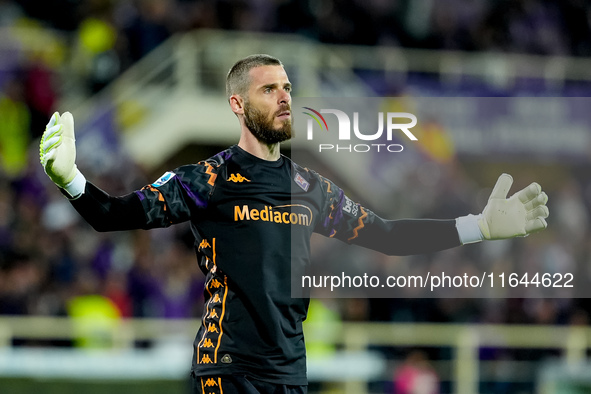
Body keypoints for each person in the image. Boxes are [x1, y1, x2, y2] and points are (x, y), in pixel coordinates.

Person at [39, 54, 549, 394]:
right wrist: (73, 182)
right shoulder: (207, 178)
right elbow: (117, 216)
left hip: (289, 372)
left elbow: (386, 236)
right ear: (238, 105)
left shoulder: (311, 188)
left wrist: (477, 226)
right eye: (268, 90)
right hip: (228, 368)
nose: (284, 97)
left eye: (287, 88)